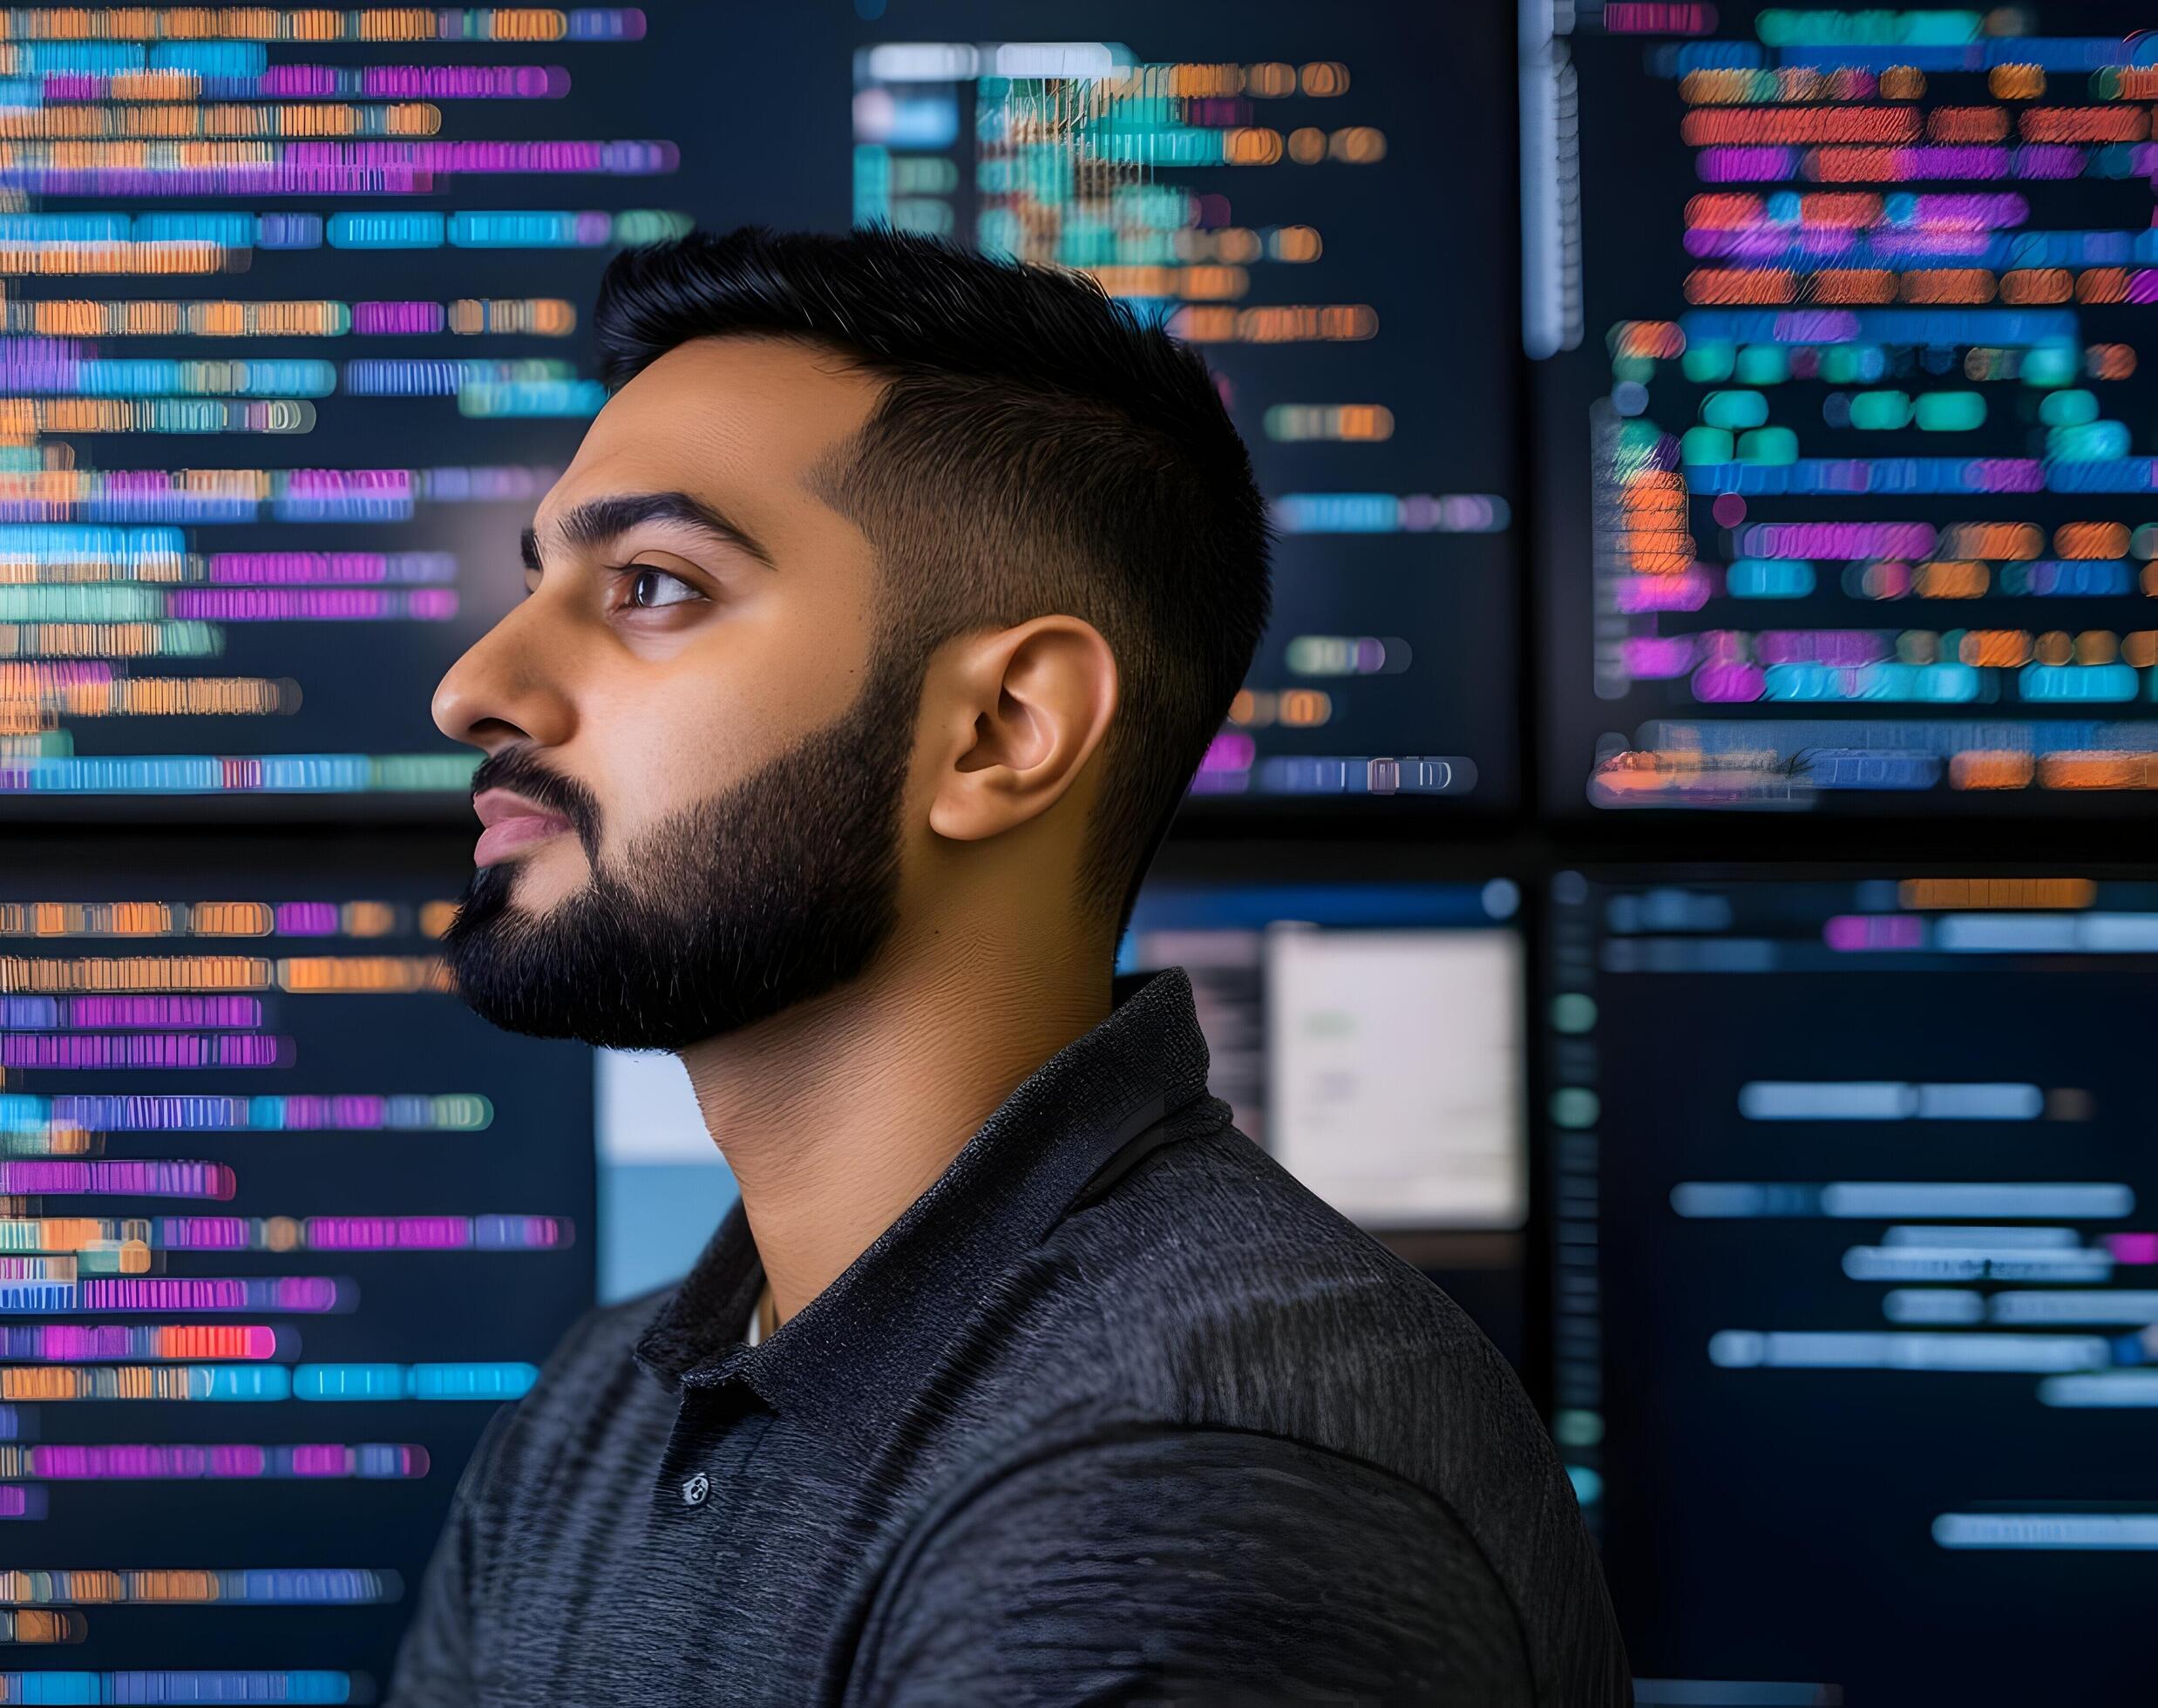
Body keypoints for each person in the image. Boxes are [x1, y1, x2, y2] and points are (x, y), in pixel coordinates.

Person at [391, 227, 1625, 1706]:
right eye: (538, 581)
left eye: (652, 584)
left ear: (1000, 733)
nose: (474, 688)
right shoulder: (602, 1406)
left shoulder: (1179, 1497)